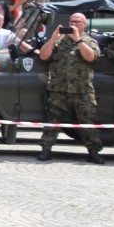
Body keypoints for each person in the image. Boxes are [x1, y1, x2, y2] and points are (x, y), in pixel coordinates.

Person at [36, 12, 104, 164]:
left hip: (82, 91)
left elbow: (91, 57)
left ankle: (93, 152)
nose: (74, 24)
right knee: (52, 122)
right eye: (72, 21)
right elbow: (43, 56)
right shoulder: (59, 41)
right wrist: (53, 38)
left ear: (84, 25)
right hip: (58, 89)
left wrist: (78, 40)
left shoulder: (89, 41)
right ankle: (46, 150)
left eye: (78, 22)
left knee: (87, 123)